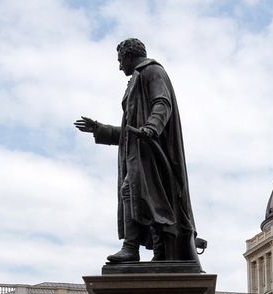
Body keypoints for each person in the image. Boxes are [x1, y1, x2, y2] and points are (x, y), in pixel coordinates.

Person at [75, 38, 200, 265]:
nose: (119, 65)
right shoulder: (138, 77)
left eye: (120, 60)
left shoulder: (152, 71)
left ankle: (131, 247)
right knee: (147, 199)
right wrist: (100, 130)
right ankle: (158, 252)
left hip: (149, 152)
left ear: (129, 56)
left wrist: (151, 128)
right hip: (140, 150)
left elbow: (162, 103)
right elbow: (128, 132)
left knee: (135, 193)